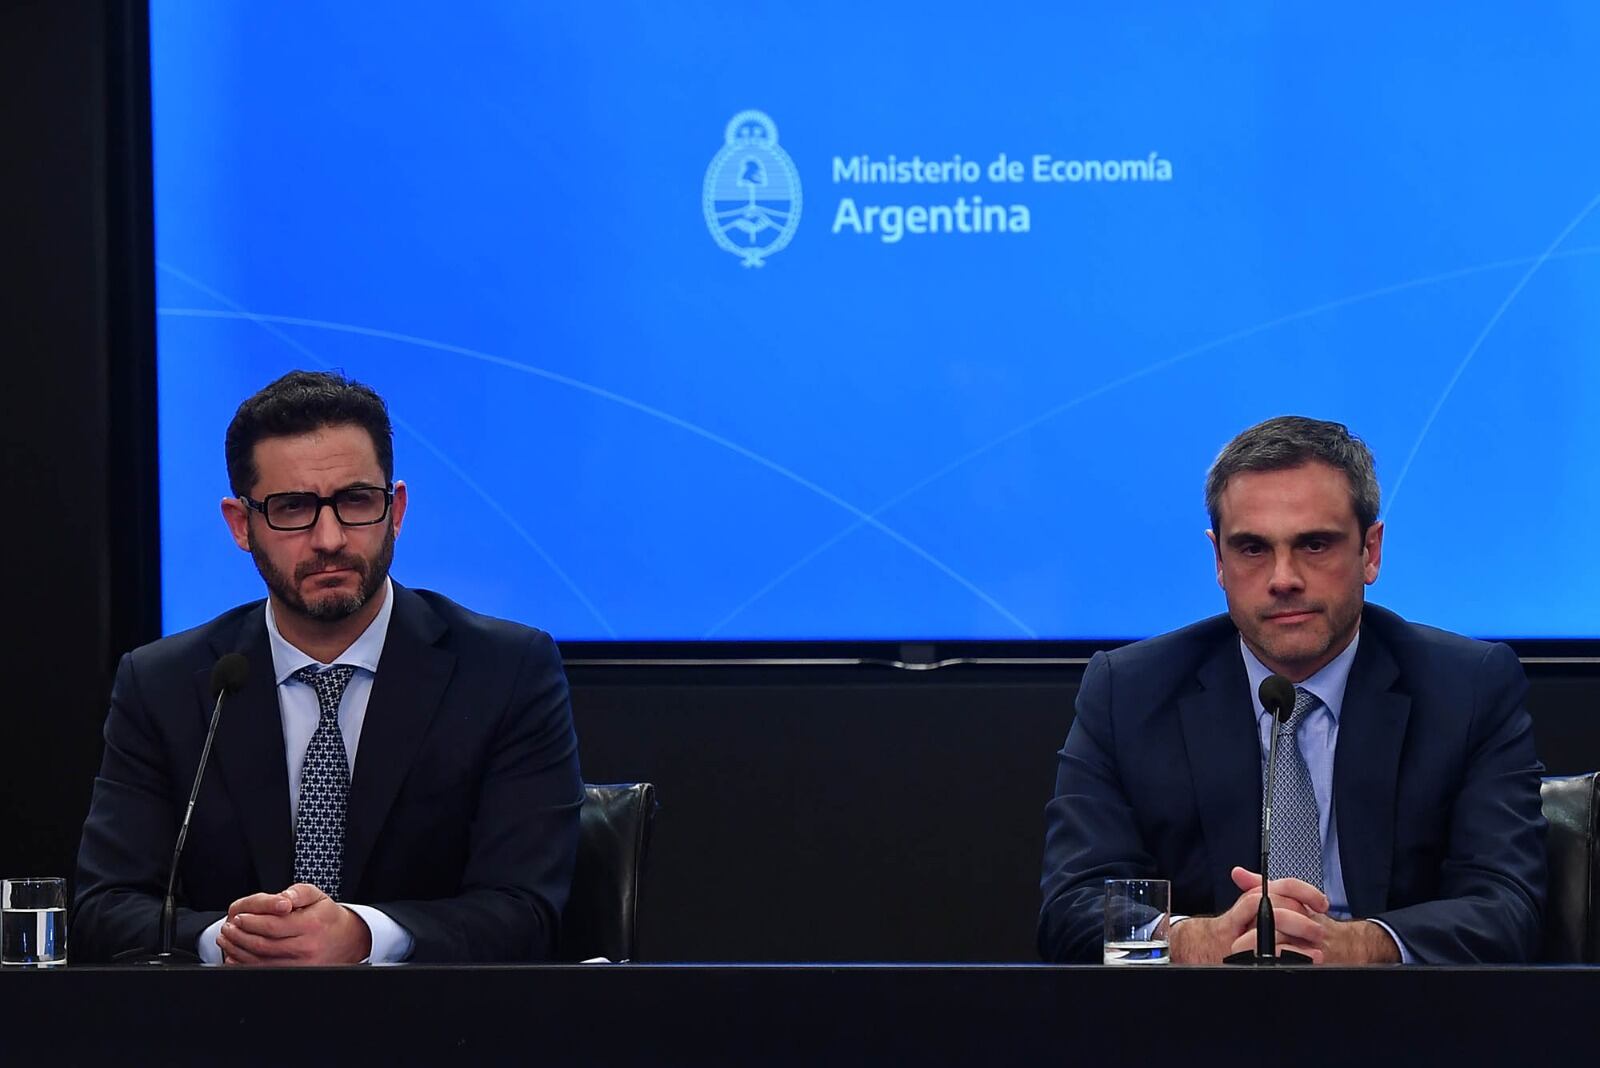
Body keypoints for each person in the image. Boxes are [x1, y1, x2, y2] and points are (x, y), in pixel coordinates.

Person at [75, 370, 583, 964]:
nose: (329, 538)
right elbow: (104, 907)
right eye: (292, 508)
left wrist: (363, 935)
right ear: (242, 526)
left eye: (355, 501)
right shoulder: (163, 684)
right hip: (226, 1040)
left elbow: (528, 911)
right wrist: (233, 941)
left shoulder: (506, 672)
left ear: (395, 510)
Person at [1038, 416, 1547, 964]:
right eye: (1253, 548)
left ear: (1370, 551)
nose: (1284, 578)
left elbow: (1508, 908)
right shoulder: (1129, 692)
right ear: (1219, 562)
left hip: (1403, 1026)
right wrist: (1192, 939)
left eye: (1314, 544)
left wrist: (1362, 944)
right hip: (1195, 1029)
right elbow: (1071, 909)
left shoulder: (1466, 689)